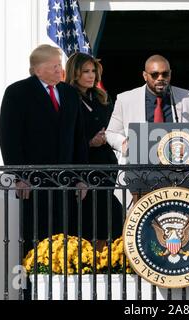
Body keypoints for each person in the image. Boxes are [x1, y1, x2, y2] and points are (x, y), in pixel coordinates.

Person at [0, 44, 88, 256]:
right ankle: (31, 284)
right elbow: (9, 138)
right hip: (33, 182)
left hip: (65, 182)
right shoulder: (17, 92)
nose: (60, 71)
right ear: (38, 69)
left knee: (65, 238)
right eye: (55, 67)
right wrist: (19, 176)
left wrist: (81, 176)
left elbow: (79, 138)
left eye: (60, 66)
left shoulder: (69, 93)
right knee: (34, 237)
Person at [106, 54, 189, 206]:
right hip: (139, 177)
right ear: (145, 76)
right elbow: (111, 133)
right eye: (154, 74)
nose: (160, 78)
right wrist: (125, 144)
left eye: (165, 74)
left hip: (180, 178)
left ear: (170, 74)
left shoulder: (187, 97)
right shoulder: (126, 99)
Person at [64, 52, 123, 251]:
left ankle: (105, 259)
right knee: (89, 218)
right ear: (75, 73)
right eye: (86, 72)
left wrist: (111, 135)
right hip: (83, 168)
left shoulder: (102, 98)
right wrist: (89, 142)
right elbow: (65, 134)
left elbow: (115, 125)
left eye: (93, 71)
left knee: (110, 214)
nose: (91, 76)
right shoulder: (68, 97)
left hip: (105, 165)